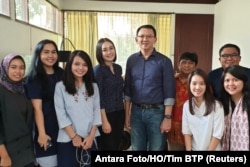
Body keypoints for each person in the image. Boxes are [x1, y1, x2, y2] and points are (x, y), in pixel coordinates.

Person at [124, 24, 175, 151]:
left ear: (155, 39)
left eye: (149, 36)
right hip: (136, 112)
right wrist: (127, 116)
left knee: (157, 149)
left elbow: (169, 92)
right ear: (136, 39)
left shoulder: (164, 61)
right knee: (136, 148)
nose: (145, 39)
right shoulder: (131, 60)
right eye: (141, 36)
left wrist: (167, 118)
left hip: (157, 113)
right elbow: (128, 91)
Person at [54, 50, 102, 166]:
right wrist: (74, 137)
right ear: (70, 65)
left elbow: (96, 112)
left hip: (89, 139)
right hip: (68, 139)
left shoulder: (93, 87)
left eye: (85, 65)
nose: (81, 68)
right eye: (77, 64)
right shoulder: (60, 87)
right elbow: (61, 114)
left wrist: (91, 136)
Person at [25, 39, 64, 167]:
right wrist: (42, 133)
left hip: (64, 128)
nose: (50, 56)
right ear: (38, 54)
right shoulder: (34, 78)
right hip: (47, 129)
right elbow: (37, 109)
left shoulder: (61, 74)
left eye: (53, 52)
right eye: (46, 52)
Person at [0, 54, 34, 167]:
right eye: (13, 67)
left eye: (21, 67)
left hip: (27, 151)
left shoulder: (23, 89)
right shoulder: (1, 91)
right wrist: (4, 156)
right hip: (8, 153)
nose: (18, 71)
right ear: (5, 68)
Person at [93, 38, 125, 150]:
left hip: (120, 112)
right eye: (105, 50)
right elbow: (98, 97)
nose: (109, 52)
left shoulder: (118, 68)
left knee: (117, 146)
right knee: (107, 147)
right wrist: (104, 121)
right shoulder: (97, 70)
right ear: (100, 53)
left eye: (111, 48)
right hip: (106, 114)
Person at [182, 68, 224, 151]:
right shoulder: (187, 105)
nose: (197, 87)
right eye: (194, 83)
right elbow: (187, 132)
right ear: (189, 85)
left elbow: (217, 134)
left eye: (202, 84)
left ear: (207, 86)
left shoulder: (217, 106)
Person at [167, 52, 198, 151]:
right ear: (178, 65)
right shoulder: (171, 81)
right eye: (184, 62)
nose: (187, 65)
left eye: (190, 63)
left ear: (195, 65)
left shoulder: (201, 82)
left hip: (195, 127)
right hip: (174, 127)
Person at [220, 65, 250, 151]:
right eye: (227, 80)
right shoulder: (220, 104)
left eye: (235, 80)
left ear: (244, 82)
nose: (231, 84)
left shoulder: (248, 102)